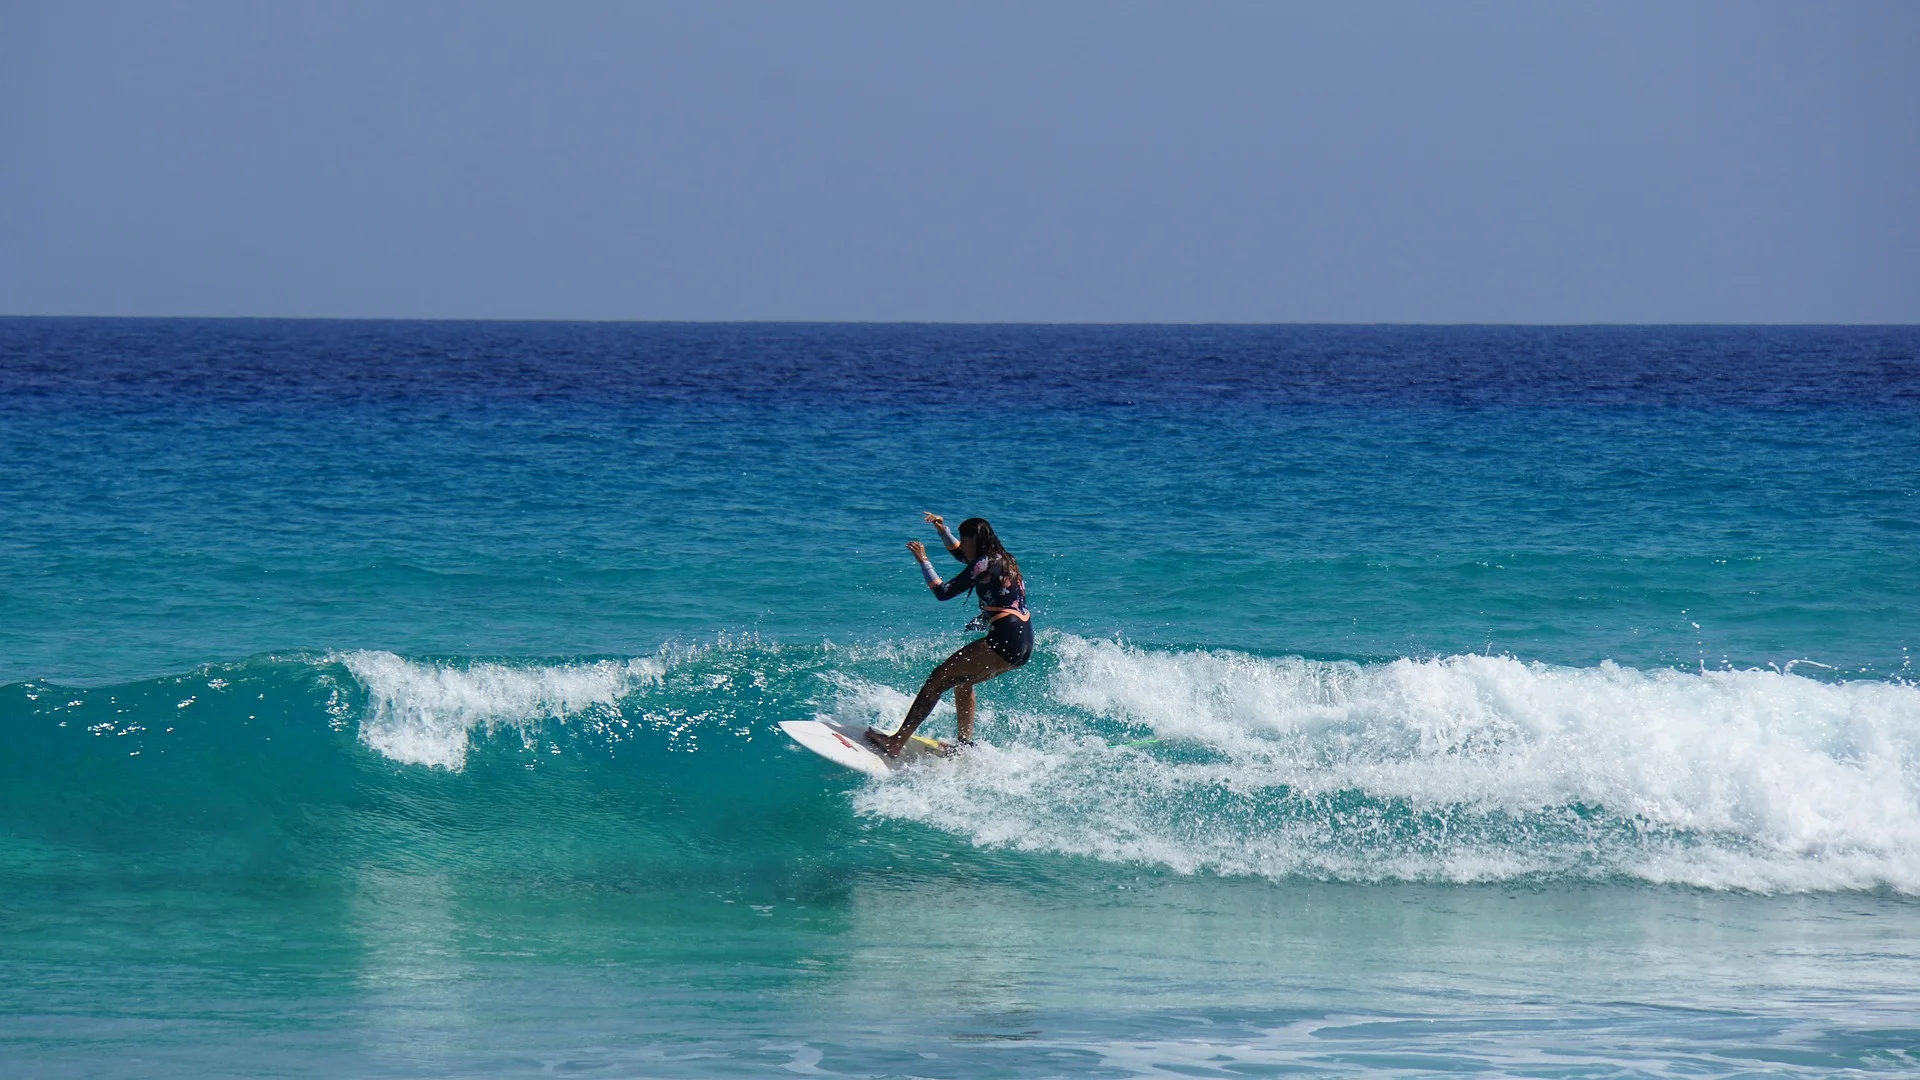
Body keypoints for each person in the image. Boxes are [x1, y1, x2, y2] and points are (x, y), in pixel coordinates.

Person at [866, 513, 1033, 757]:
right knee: (962, 684)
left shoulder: (984, 563)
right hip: (1024, 641)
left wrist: (924, 561)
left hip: (1004, 638)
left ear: (975, 540)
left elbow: (943, 592)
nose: (962, 545)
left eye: (964, 540)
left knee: (936, 680)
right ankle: (964, 746)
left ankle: (896, 742)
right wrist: (942, 531)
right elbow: (962, 555)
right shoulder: (1004, 559)